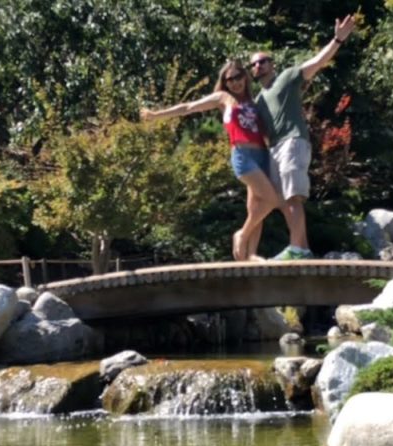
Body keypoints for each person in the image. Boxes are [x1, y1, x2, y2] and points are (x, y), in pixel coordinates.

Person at [140, 60, 277, 262]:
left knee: (256, 210)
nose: (235, 83)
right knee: (271, 199)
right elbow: (188, 107)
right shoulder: (223, 98)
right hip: (243, 155)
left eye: (238, 77)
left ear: (245, 77)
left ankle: (250, 256)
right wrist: (157, 115)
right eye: (230, 79)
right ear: (225, 82)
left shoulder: (254, 102)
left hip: (262, 155)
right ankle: (241, 235)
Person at [250, 14, 357, 260]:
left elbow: (317, 62)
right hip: (276, 148)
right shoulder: (258, 100)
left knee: (292, 196)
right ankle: (303, 249)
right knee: (281, 198)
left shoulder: (287, 78)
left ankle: (296, 248)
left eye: (263, 61)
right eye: (254, 65)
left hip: (292, 141)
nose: (258, 66)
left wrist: (337, 41)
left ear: (272, 64)